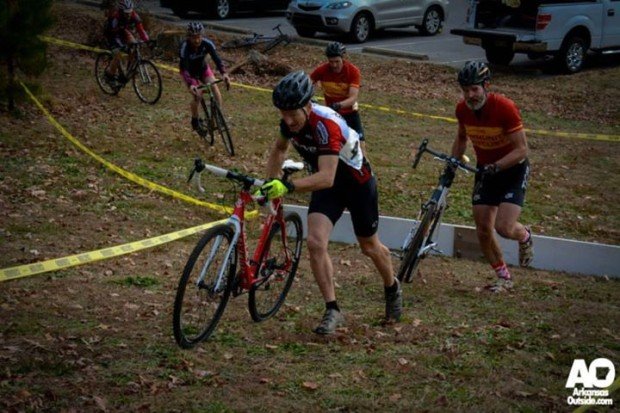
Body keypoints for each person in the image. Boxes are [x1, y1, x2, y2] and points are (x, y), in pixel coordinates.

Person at [257, 71, 402, 334]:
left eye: (293, 114)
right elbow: (279, 149)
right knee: (315, 242)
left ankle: (392, 287)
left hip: (357, 184)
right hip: (329, 188)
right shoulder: (289, 121)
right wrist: (270, 182)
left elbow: (326, 176)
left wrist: (287, 186)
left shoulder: (325, 125)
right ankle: (332, 309)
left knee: (370, 247)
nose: (288, 120)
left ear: (307, 106)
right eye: (282, 113)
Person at [450, 61, 533, 292]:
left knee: (504, 228)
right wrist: (453, 162)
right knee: (483, 229)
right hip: (486, 169)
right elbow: (461, 138)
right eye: (465, 90)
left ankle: (525, 235)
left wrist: (497, 166)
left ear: (486, 86)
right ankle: (503, 277)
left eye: (475, 89)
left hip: (512, 169)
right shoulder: (462, 110)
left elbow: (522, 149)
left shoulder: (504, 108)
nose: (470, 95)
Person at [179, 21, 231, 135]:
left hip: (202, 68)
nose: (197, 40)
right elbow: (185, 67)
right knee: (198, 94)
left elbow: (216, 59)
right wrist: (191, 84)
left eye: (199, 37)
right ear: (188, 37)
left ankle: (217, 117)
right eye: (194, 38)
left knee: (215, 90)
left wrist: (224, 73)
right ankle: (195, 120)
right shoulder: (185, 47)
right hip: (189, 72)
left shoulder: (207, 44)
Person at [310, 42, 365, 145]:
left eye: (337, 61)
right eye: (331, 62)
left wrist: (337, 105)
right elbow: (307, 83)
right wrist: (309, 97)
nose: (334, 65)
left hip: (350, 113)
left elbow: (353, 98)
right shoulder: (322, 70)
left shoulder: (353, 71)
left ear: (343, 58)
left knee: (360, 145)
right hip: (332, 114)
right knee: (334, 144)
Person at [104, 0, 150, 83]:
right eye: (126, 13)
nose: (128, 14)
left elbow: (141, 30)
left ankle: (129, 71)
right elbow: (112, 33)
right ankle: (109, 74)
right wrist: (121, 46)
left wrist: (147, 40)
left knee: (134, 45)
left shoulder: (134, 15)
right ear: (121, 11)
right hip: (112, 34)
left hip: (123, 32)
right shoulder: (115, 18)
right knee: (118, 53)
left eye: (130, 12)